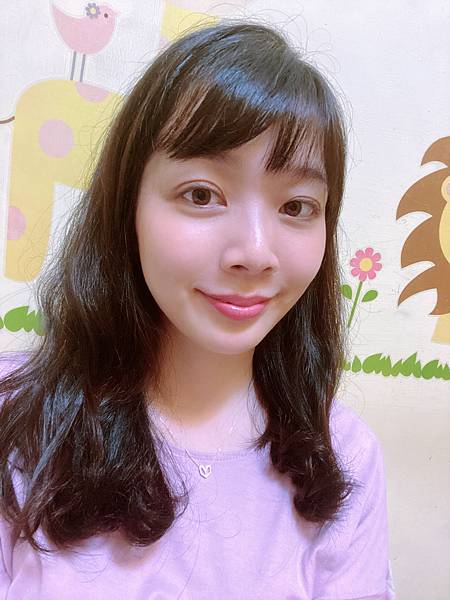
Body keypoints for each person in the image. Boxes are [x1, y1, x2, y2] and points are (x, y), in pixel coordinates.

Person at [0, 18, 396, 599]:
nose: (254, 252)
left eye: (296, 206)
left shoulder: (346, 460)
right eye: (202, 194)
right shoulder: (15, 422)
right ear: (128, 206)